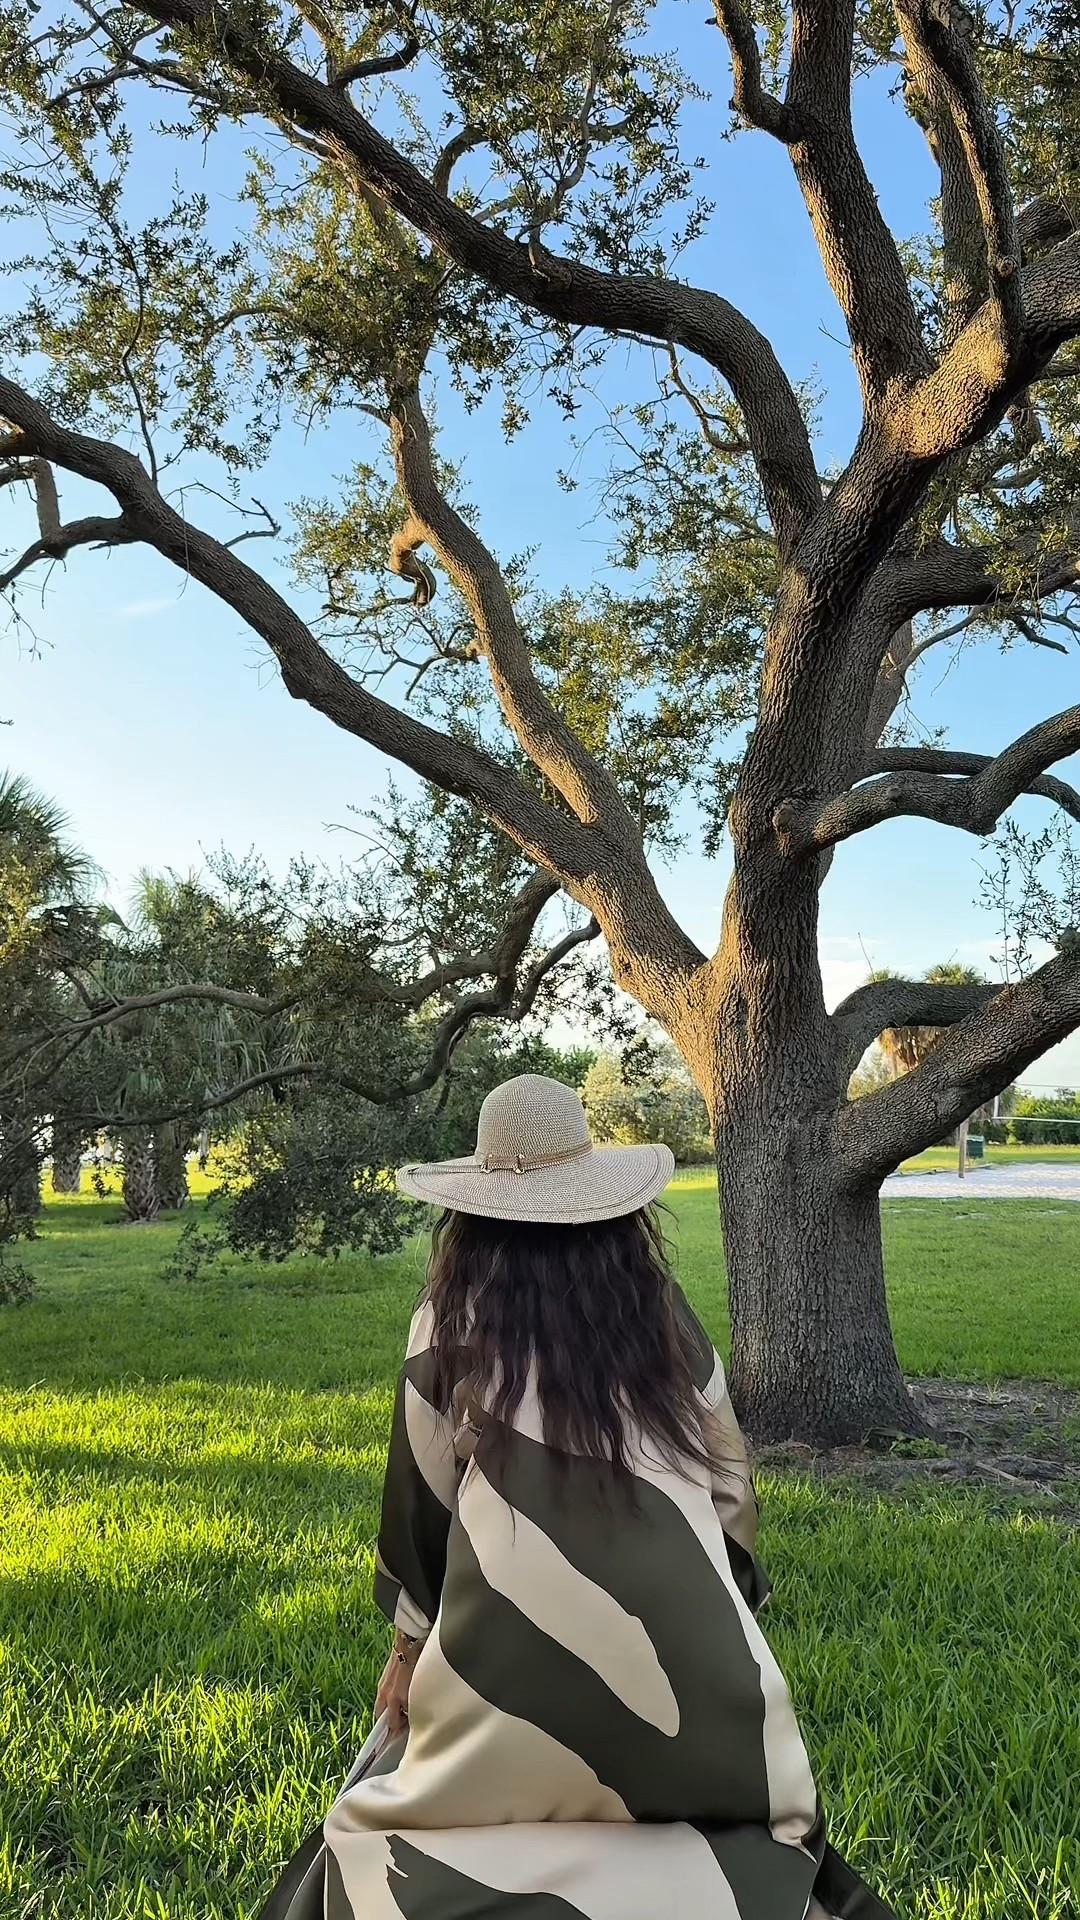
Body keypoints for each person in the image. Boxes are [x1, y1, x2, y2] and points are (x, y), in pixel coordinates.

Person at [265, 1074, 896, 1920]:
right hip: (704, 1693)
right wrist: (730, 1613)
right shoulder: (661, 1313)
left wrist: (408, 1658)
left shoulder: (449, 1320)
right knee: (752, 1834)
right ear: (605, 1204)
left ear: (473, 1211)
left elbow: (420, 1504)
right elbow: (730, 1490)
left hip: (504, 1677)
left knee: (402, 1827)